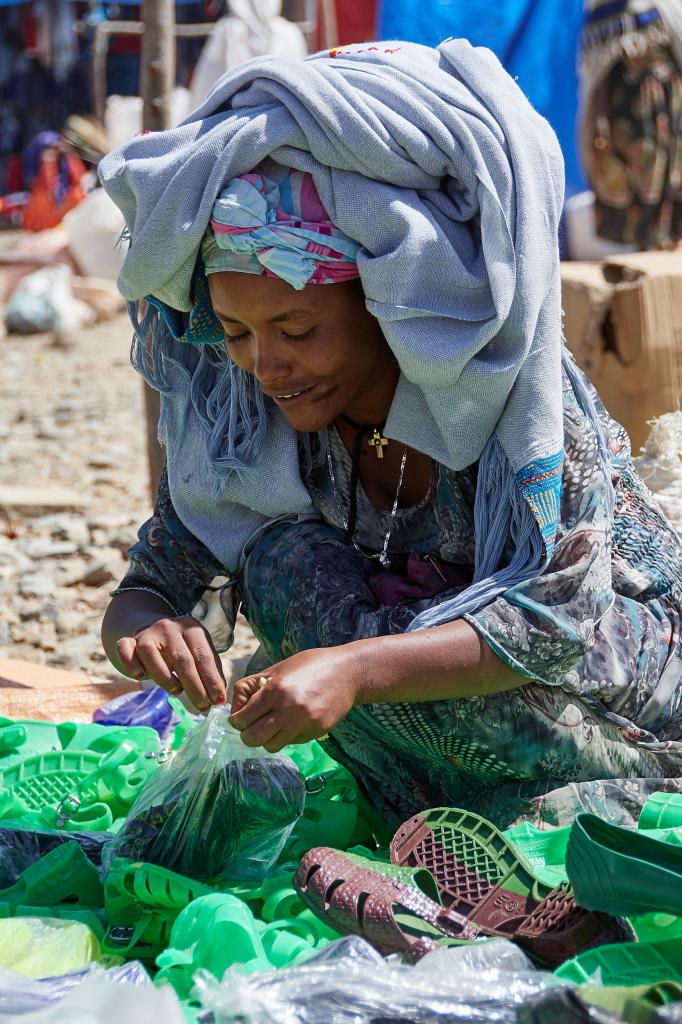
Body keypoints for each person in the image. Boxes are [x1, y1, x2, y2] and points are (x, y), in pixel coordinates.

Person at [100, 41, 682, 830]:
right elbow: (157, 579)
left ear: (381, 301)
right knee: (280, 564)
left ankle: (590, 804)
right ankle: (435, 814)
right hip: (435, 710)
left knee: (446, 674)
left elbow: (558, 625)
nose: (266, 364)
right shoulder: (258, 418)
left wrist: (358, 670)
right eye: (235, 332)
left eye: (297, 329)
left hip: (610, 699)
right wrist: (147, 632)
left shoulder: (515, 416)